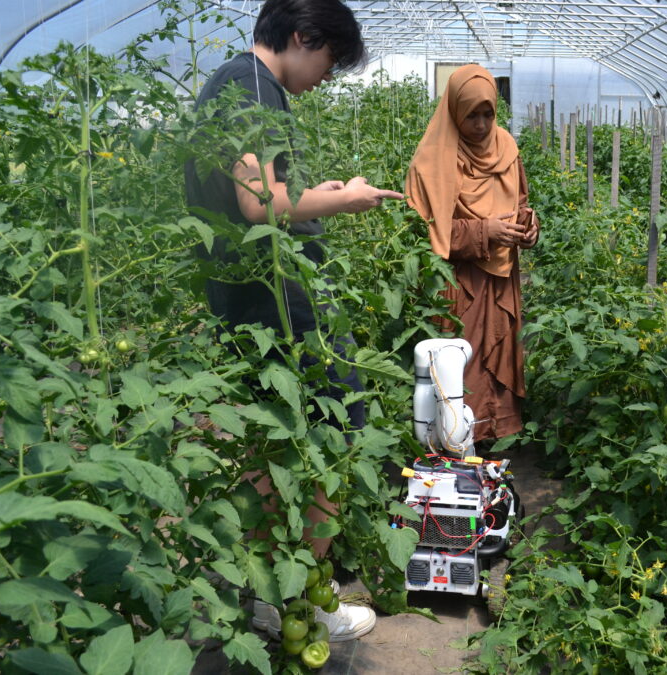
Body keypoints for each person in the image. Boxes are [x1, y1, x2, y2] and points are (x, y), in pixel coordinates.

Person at [184, 0, 404, 643]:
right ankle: (304, 597)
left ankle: (269, 595)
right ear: (303, 38)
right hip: (273, 299)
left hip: (249, 295)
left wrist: (325, 193)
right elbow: (258, 205)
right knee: (336, 428)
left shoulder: (233, 83)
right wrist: (349, 202)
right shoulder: (251, 86)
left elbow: (264, 197)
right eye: (329, 63)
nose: (325, 79)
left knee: (275, 440)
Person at [405, 65, 540, 444]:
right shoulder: (431, 163)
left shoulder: (508, 150)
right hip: (457, 284)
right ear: (453, 112)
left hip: (500, 280)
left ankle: (495, 436)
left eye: (488, 114)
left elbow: (522, 201)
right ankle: (455, 442)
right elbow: (424, 228)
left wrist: (527, 228)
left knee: (496, 359)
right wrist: (484, 231)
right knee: (460, 364)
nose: (481, 125)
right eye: (471, 116)